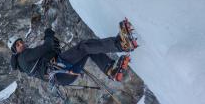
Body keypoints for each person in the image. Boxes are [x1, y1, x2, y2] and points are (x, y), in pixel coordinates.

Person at [8, 20, 137, 85]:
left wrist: (54, 45)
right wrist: (48, 36)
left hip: (64, 76)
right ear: (15, 52)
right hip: (60, 67)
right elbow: (46, 47)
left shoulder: (24, 64)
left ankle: (111, 70)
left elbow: (50, 54)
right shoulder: (23, 58)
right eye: (17, 45)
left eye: (20, 42)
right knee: (84, 46)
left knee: (88, 50)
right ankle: (121, 44)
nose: (21, 44)